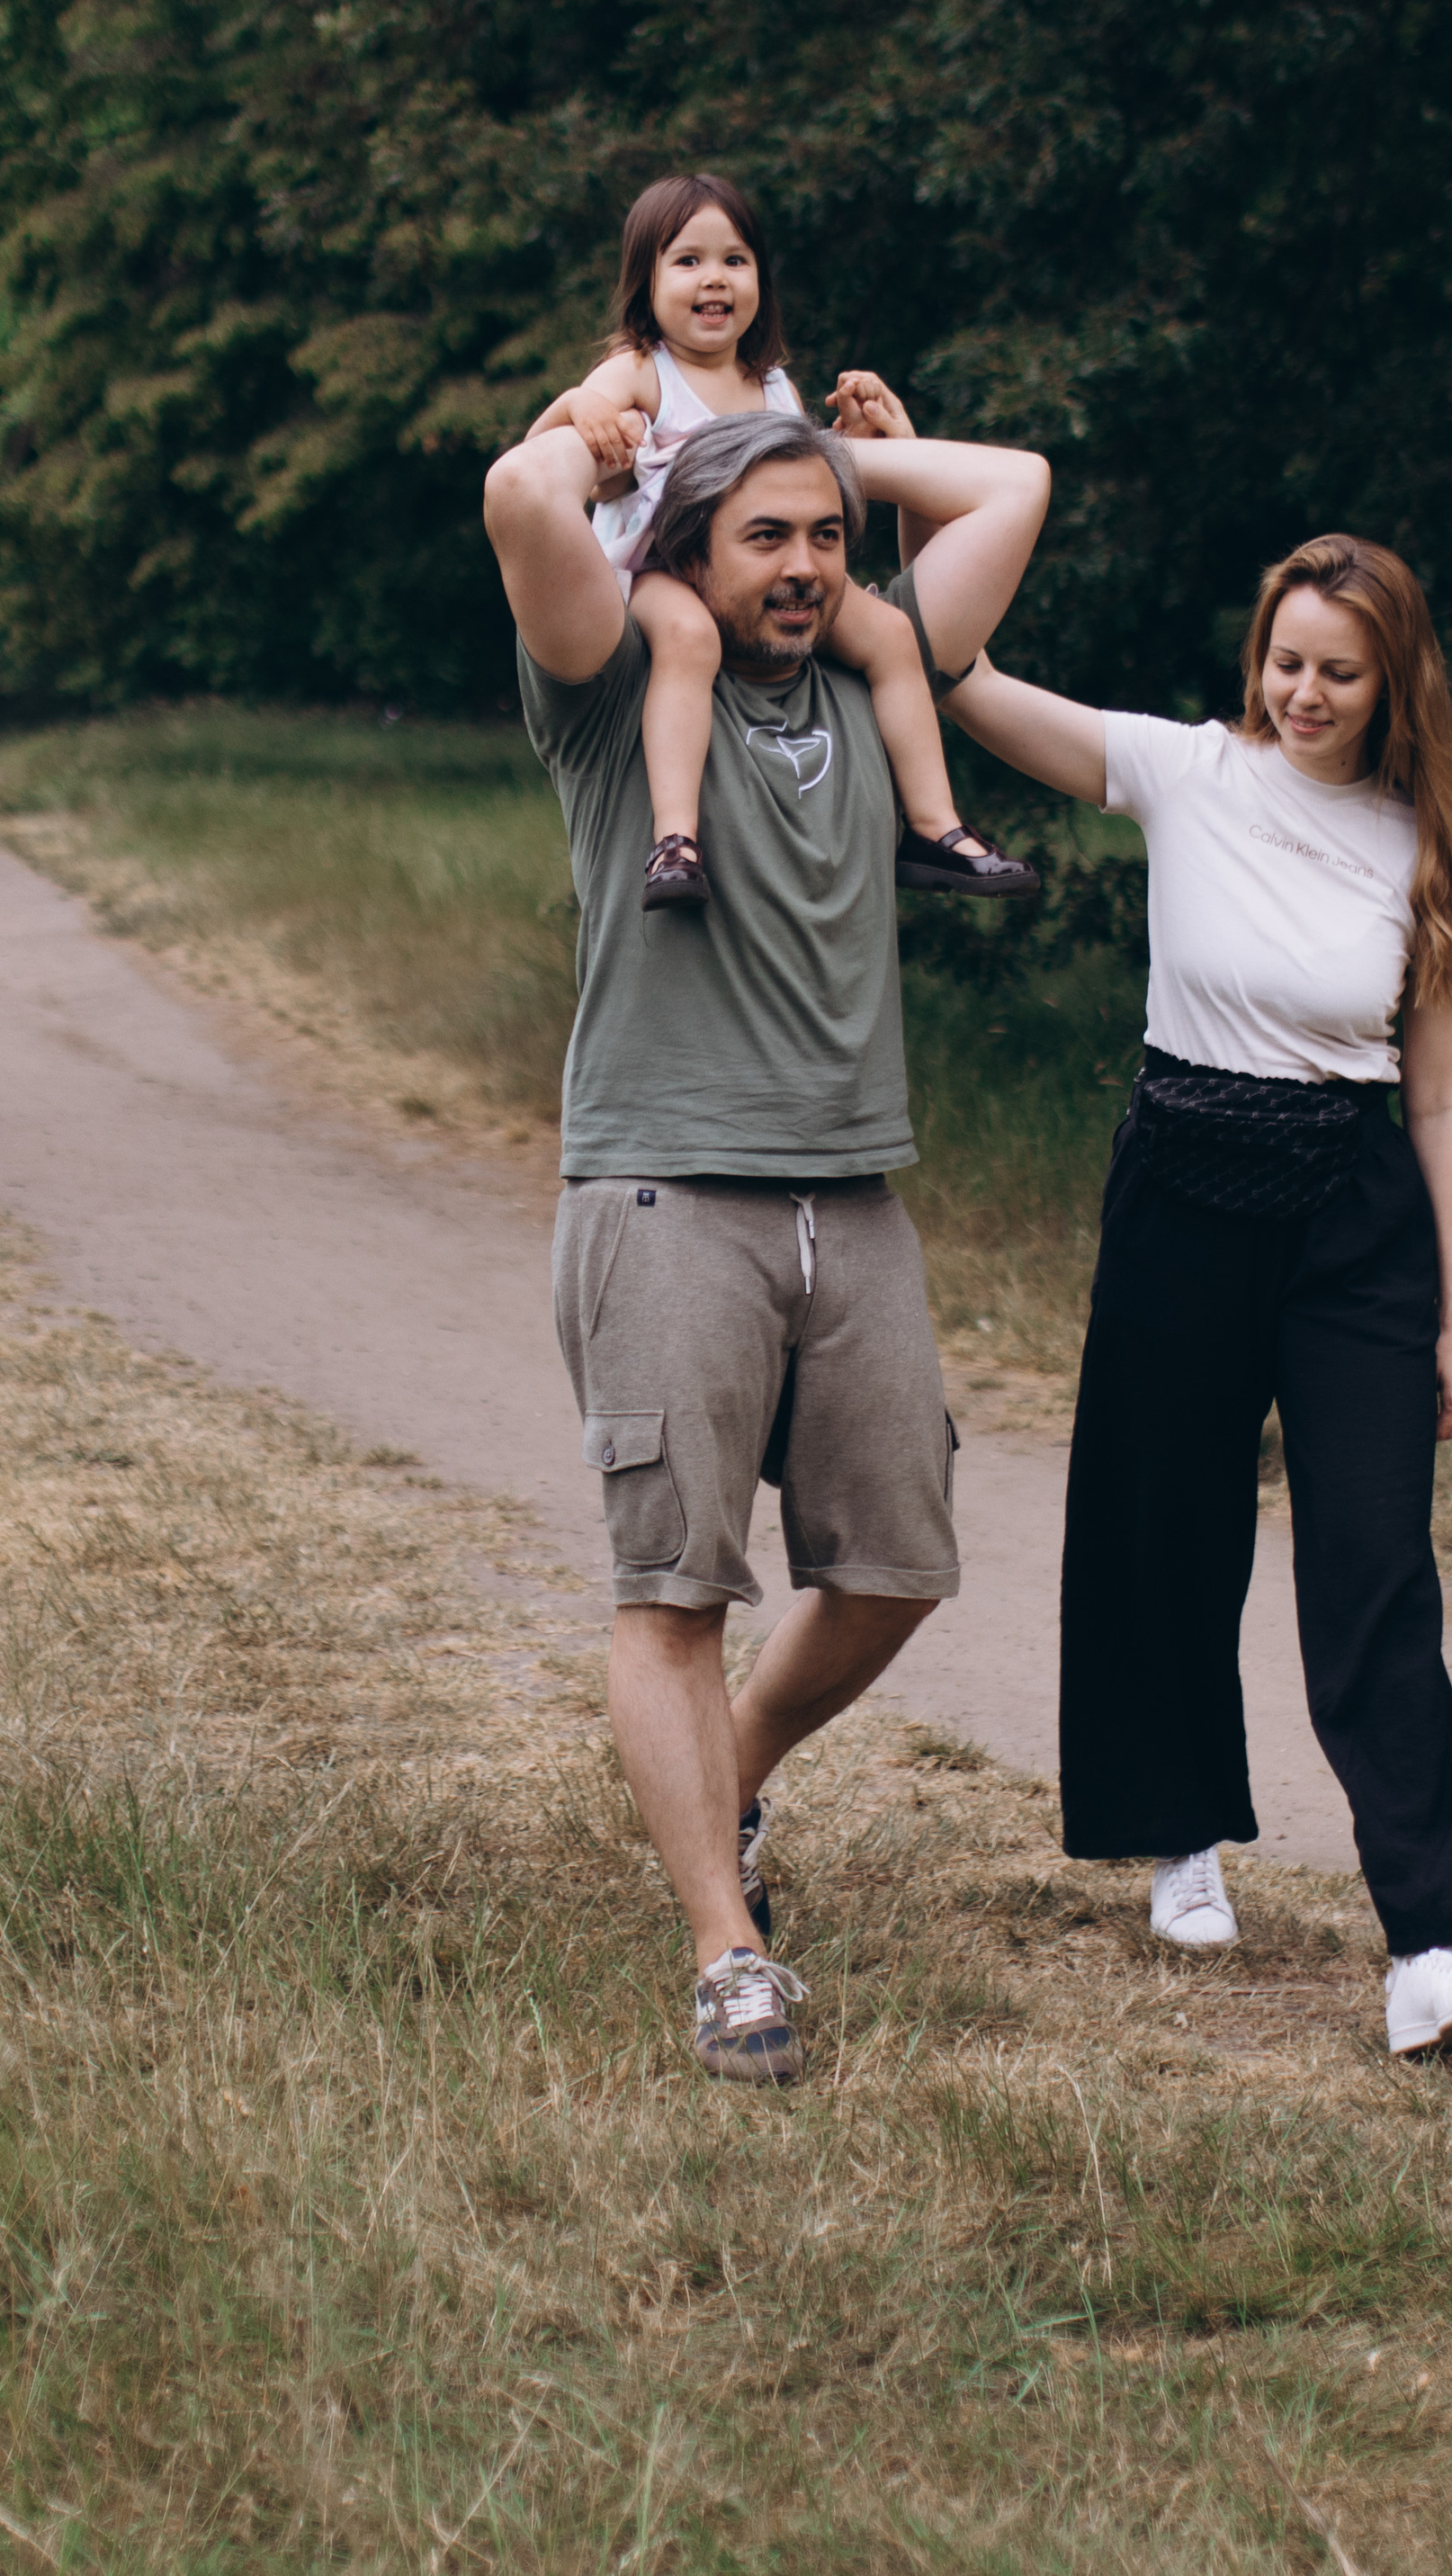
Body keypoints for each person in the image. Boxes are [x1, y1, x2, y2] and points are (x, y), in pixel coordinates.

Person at [481, 381, 1051, 2084]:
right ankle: (727, 1946)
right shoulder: (613, 685)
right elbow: (522, 500)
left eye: (824, 537)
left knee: (895, 1567)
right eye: (764, 536)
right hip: (662, 1184)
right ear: (685, 544)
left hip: (853, 1188)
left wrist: (831, 454)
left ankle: (715, 1780)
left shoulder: (879, 674)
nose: (802, 565)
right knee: (678, 1583)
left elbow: (1014, 485)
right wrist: (606, 429)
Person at [943, 533, 1452, 2058]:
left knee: (1373, 1559)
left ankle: (1430, 1937)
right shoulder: (1183, 770)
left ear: (1392, 678)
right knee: (1164, 1524)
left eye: (1341, 670)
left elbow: (1444, 1101)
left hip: (1354, 1216)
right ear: (1256, 655)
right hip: (1184, 1183)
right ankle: (1183, 1832)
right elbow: (960, 677)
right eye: (1287, 661)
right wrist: (898, 504)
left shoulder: (1430, 837)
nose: (1307, 692)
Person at [526, 173, 1035, 913]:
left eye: (735, 260)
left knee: (892, 635)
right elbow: (531, 473)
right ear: (646, 282)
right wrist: (578, 406)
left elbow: (802, 489)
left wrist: (853, 442)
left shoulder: (772, 387)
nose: (715, 279)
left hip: (761, 573)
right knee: (691, 641)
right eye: (688, 260)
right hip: (659, 567)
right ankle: (675, 838)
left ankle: (933, 826)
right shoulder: (639, 370)